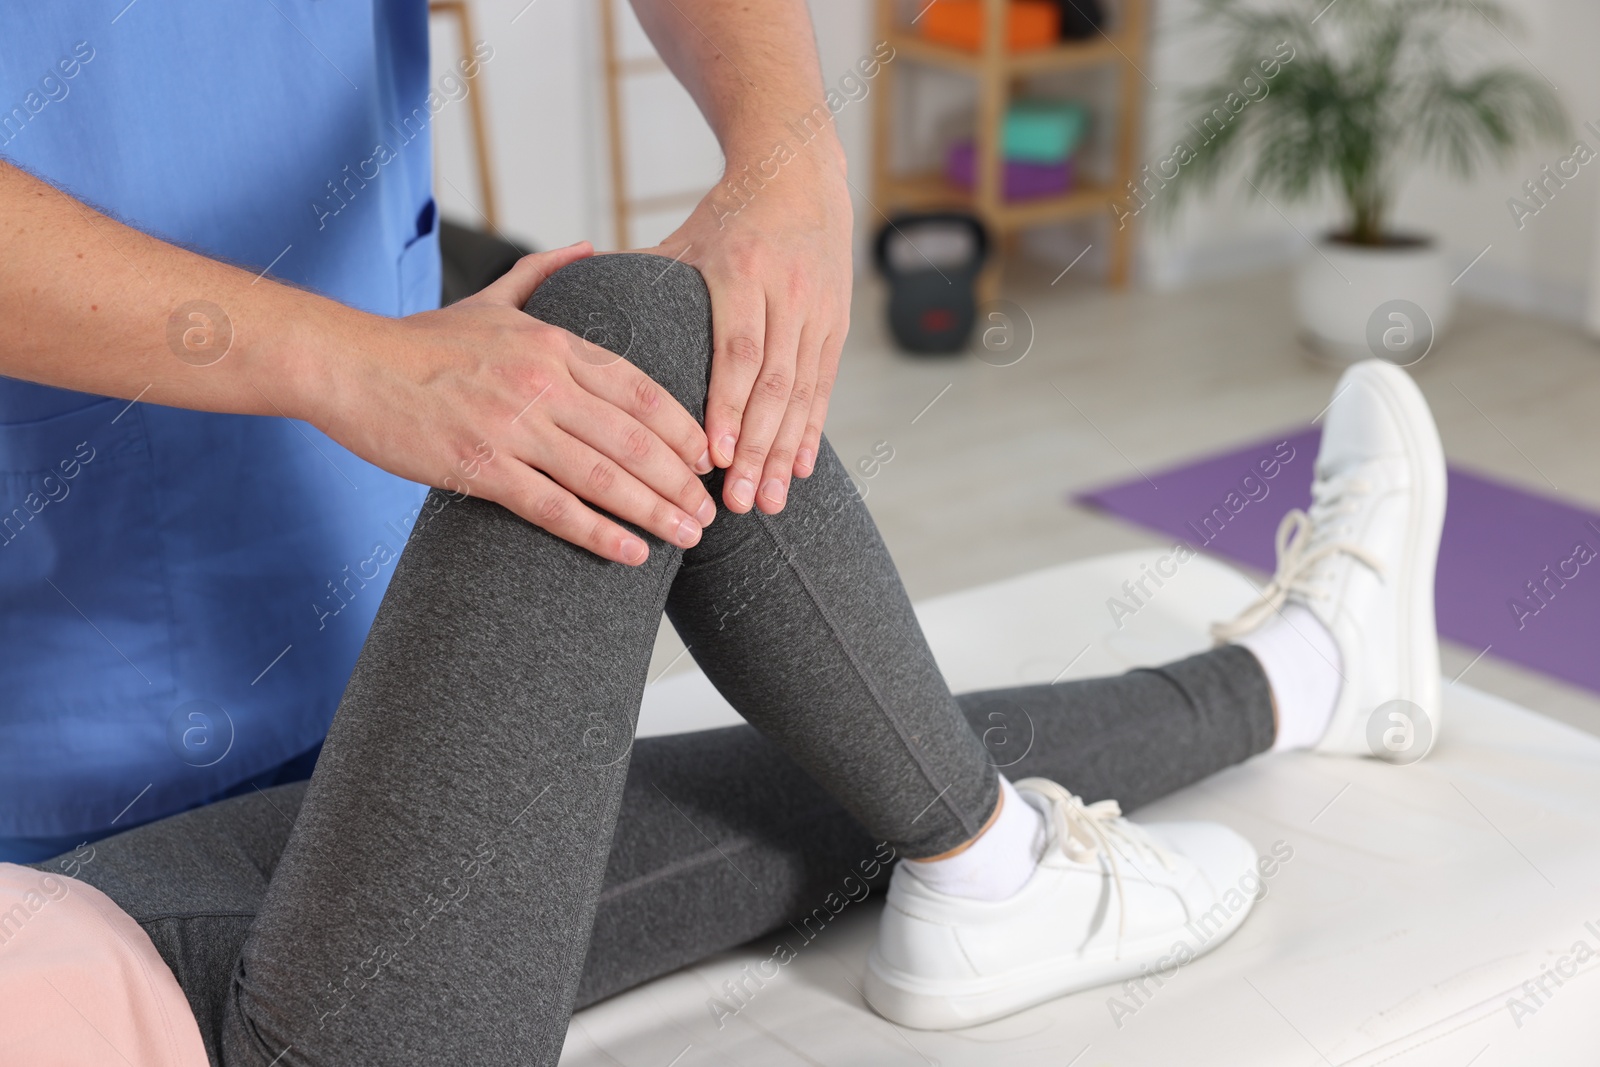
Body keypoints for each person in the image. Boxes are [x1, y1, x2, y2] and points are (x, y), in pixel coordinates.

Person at [0, 253, 1446, 1065]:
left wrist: (785, 138)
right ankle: (1003, 864)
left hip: (85, 923)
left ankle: (1307, 670)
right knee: (632, 337)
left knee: (842, 770)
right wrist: (349, 361)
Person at [0, 1, 853, 861]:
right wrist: (344, 361)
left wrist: (792, 157)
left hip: (387, 604)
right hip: (53, 672)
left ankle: (973, 837)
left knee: (640, 322)